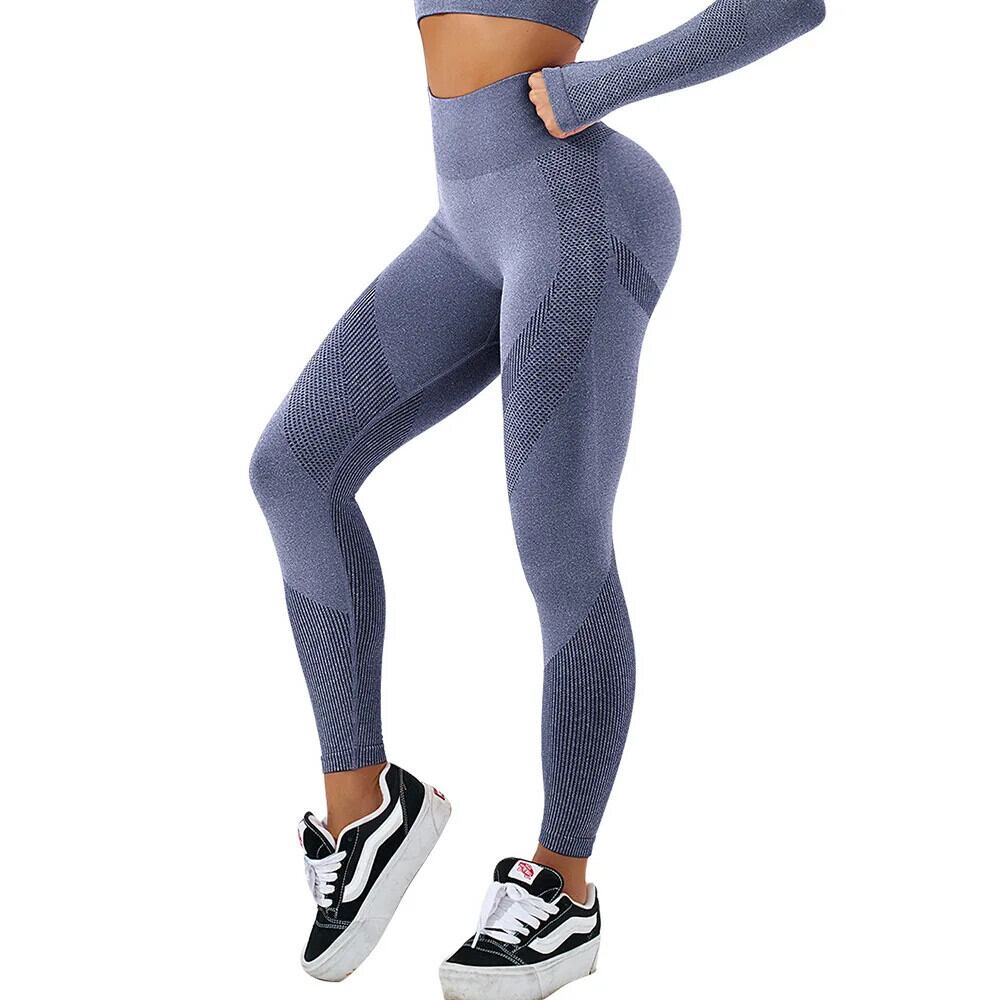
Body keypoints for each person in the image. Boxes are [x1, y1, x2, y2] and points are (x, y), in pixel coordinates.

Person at [250, 2, 825, 997]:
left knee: (559, 538)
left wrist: (594, 88)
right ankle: (364, 810)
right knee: (293, 469)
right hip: (466, 219)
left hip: (574, 204)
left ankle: (561, 888)